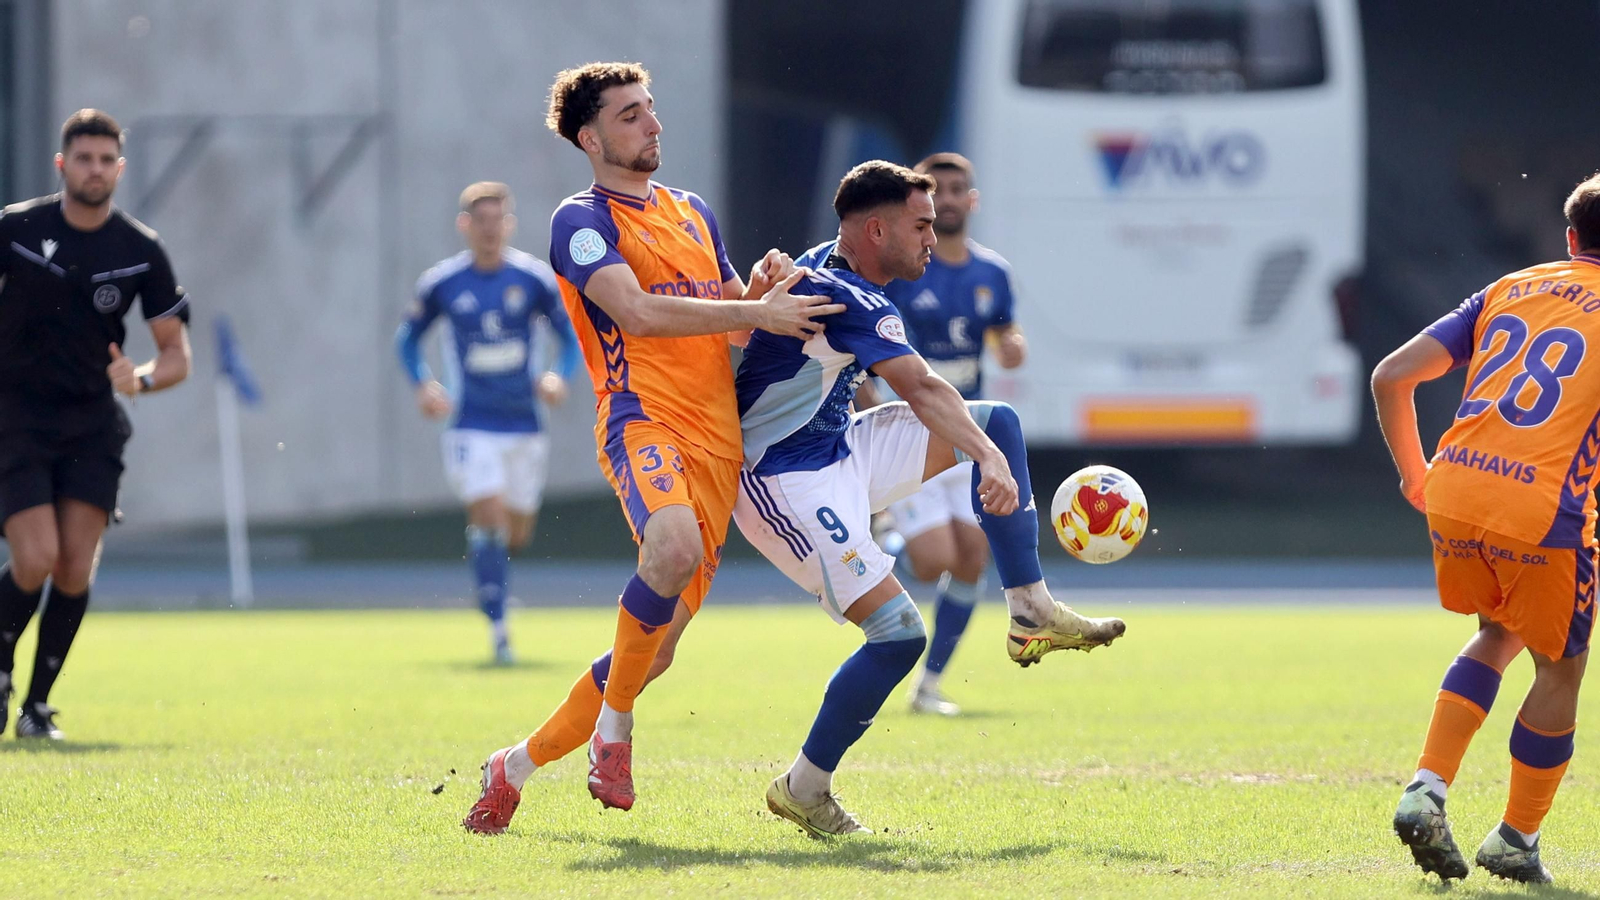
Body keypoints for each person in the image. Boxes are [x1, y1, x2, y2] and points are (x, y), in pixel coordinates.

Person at [462, 61, 841, 832]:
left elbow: (736, 323)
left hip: (718, 444)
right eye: (631, 115)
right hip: (643, 418)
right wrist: (752, 312)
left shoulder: (693, 211)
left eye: (652, 110)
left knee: (653, 654)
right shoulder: (581, 221)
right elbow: (633, 313)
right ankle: (616, 733)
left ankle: (514, 766)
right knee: (666, 549)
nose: (653, 124)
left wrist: (763, 294)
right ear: (591, 136)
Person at [734, 160, 1125, 837]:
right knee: (897, 634)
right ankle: (805, 788)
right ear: (877, 228)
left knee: (996, 416)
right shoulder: (851, 295)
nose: (931, 234)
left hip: (838, 447)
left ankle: (1029, 609)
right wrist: (987, 459)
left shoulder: (822, 263)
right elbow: (923, 388)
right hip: (783, 479)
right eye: (920, 224)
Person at [1373, 171, 1600, 884]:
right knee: (1560, 666)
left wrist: (1416, 475)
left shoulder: (1511, 286)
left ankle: (1426, 788)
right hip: (1541, 510)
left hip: (1458, 489)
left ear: (1570, 239)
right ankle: (1516, 838)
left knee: (1498, 630)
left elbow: (1389, 377)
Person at [0, 109, 191, 739]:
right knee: (36, 557)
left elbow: (174, 356)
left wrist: (139, 379)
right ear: (62, 164)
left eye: (106, 160)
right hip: (18, 417)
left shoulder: (140, 249)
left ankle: (36, 707)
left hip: (91, 424)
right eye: (83, 158)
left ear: (120, 168)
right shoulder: (17, 228)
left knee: (74, 568)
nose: (95, 169)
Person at [396, 181, 580, 665]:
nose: (489, 229)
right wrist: (424, 383)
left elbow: (570, 336)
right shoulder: (444, 282)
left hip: (524, 423)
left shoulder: (532, 279)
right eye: (480, 220)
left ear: (509, 224)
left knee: (516, 530)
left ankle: (490, 570)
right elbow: (407, 340)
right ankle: (499, 626)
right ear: (465, 225)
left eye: (497, 220)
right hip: (470, 423)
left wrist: (559, 377)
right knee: (490, 512)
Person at [880, 152, 1025, 716]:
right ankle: (883, 532)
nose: (948, 198)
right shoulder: (904, 270)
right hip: (912, 431)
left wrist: (1013, 346)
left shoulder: (992, 272)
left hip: (968, 432)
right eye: (936, 189)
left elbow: (1007, 334)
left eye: (957, 188)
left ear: (973, 199)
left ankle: (929, 685)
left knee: (972, 558)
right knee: (932, 560)